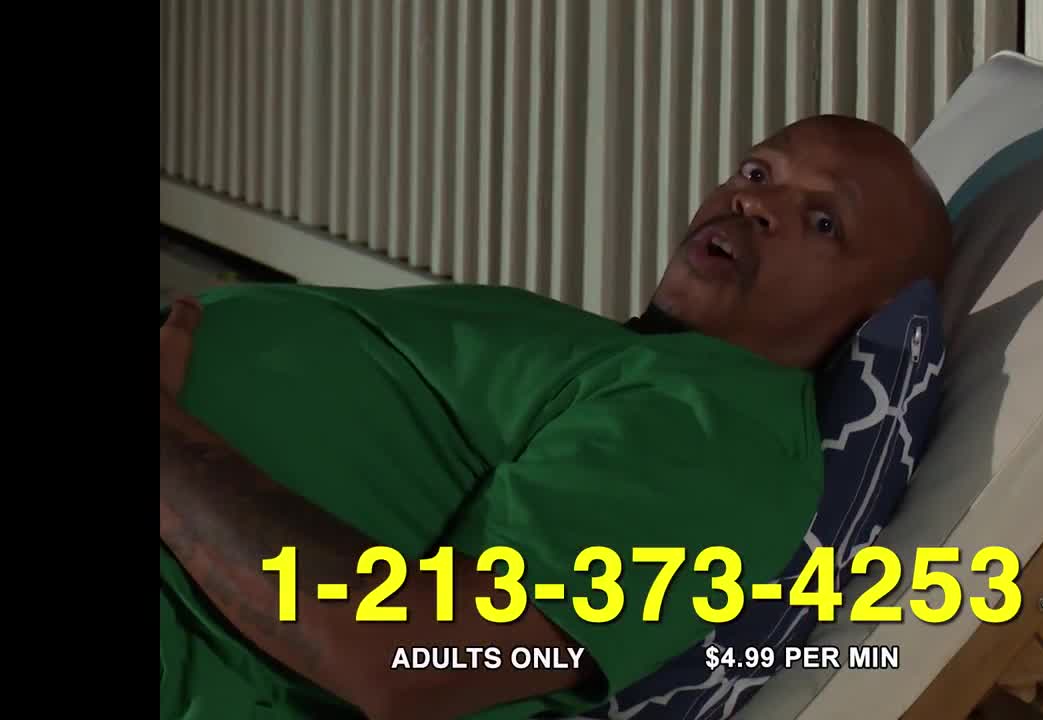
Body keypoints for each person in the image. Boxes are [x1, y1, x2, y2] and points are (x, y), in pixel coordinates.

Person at [159, 114, 953, 720]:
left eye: (824, 222)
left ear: (868, 312)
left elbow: (406, 661)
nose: (756, 203)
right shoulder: (642, 368)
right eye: (757, 171)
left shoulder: (723, 438)